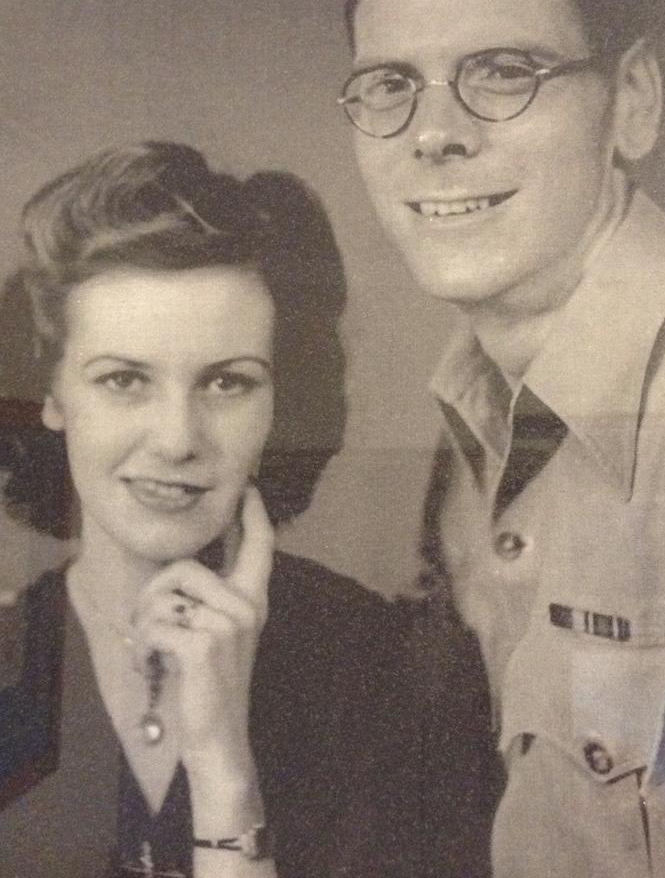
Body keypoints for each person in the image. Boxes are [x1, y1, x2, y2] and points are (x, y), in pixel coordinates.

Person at [338, 0, 665, 877]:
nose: (435, 135)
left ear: (632, 102)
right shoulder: (477, 410)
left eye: (503, 71)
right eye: (390, 85)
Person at [0, 141, 415, 878]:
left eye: (227, 383)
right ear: (52, 397)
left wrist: (225, 776)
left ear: (281, 403)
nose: (178, 440)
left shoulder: (385, 670)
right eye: (124, 380)